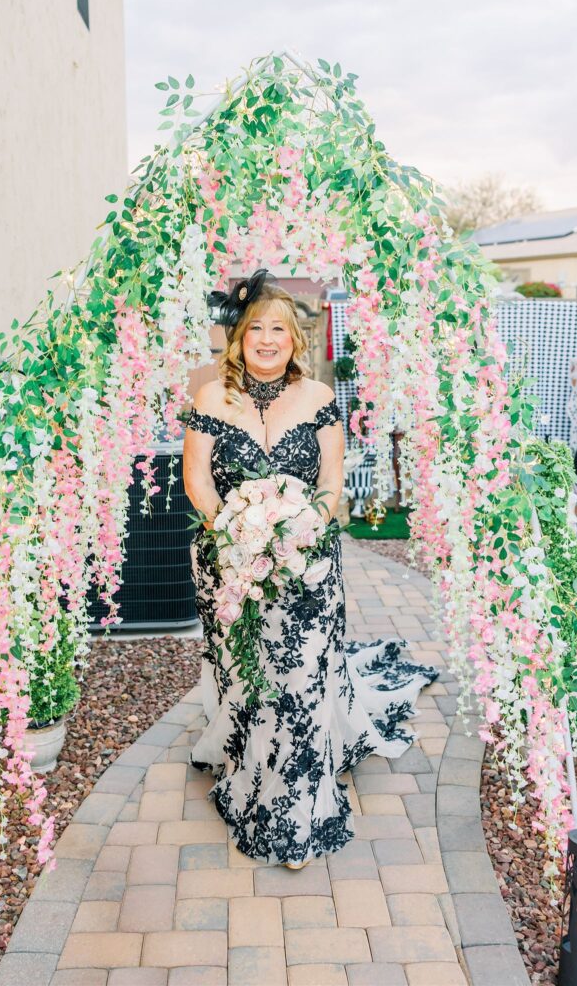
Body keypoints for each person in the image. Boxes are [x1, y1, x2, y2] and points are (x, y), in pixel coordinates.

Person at [182, 268, 438, 868]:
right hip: (231, 565)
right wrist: (240, 533)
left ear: (295, 340)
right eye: (255, 329)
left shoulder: (320, 400)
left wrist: (300, 525)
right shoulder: (209, 398)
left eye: (279, 329)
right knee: (248, 679)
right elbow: (197, 480)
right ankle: (246, 766)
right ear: (237, 337)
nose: (267, 339)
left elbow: (330, 483)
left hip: (308, 566)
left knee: (299, 685)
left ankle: (296, 811)